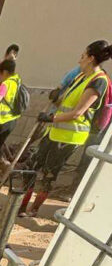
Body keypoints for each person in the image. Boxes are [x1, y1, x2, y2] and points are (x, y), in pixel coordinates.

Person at [20, 40, 111, 217]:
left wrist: (50, 118)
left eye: (83, 56)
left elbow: (78, 112)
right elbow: (67, 102)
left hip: (69, 138)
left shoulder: (98, 82)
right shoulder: (81, 77)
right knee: (31, 166)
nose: (79, 60)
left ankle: (34, 209)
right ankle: (22, 206)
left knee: (48, 174)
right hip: (53, 131)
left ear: (91, 58)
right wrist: (56, 98)